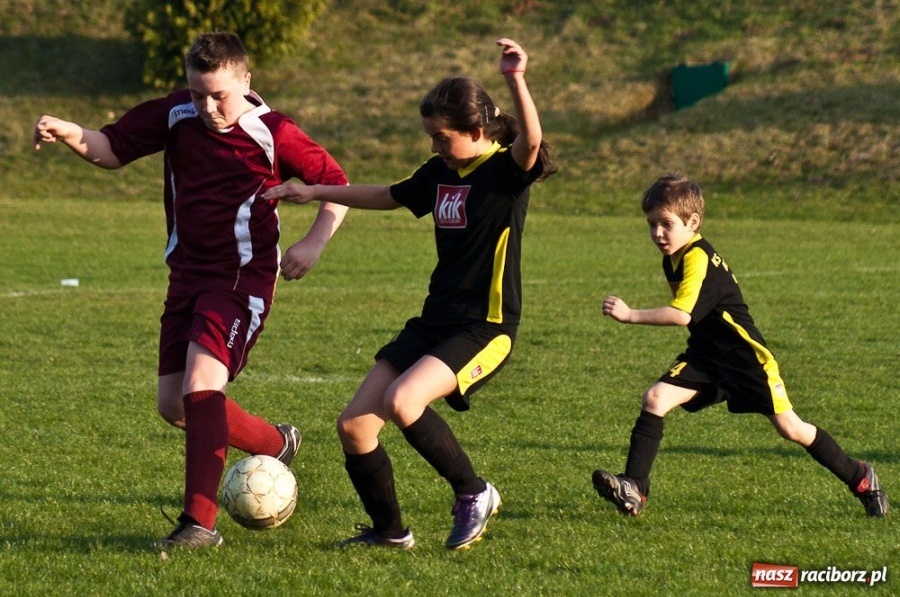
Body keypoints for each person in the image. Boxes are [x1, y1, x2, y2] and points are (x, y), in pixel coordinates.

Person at [33, 32, 350, 549]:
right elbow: (111, 149)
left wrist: (314, 242)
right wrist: (69, 131)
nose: (207, 106)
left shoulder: (274, 132)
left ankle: (198, 524)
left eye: (219, 94)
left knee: (202, 386)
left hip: (240, 277)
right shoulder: (177, 113)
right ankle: (276, 442)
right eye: (198, 92)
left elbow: (335, 184)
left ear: (245, 82)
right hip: (185, 275)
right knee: (175, 407)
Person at [262, 38, 556, 550]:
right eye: (431, 138)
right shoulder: (440, 172)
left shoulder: (504, 174)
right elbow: (388, 195)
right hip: (434, 322)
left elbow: (530, 143)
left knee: (403, 400)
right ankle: (389, 532)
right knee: (354, 426)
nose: (435, 147)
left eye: (442, 138)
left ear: (477, 131)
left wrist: (516, 79)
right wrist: (313, 191)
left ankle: (473, 491)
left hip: (484, 327)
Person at [592, 174, 888, 519]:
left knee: (791, 428)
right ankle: (635, 487)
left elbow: (681, 315)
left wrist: (630, 315)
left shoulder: (697, 256)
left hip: (745, 359)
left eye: (666, 224)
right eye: (651, 224)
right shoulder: (673, 255)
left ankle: (861, 478)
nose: (657, 233)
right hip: (707, 354)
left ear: (693, 223)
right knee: (655, 398)